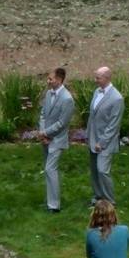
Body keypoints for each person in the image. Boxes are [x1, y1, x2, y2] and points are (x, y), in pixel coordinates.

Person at [37, 68, 74, 213]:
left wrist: (46, 133)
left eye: (50, 79)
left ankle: (54, 205)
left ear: (59, 80)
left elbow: (62, 123)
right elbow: (43, 114)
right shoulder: (48, 94)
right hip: (45, 138)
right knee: (48, 170)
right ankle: (50, 201)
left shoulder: (67, 99)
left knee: (50, 169)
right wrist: (42, 133)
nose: (48, 81)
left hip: (57, 140)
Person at [87, 66, 124, 206]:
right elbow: (93, 116)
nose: (95, 80)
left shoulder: (117, 98)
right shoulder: (97, 92)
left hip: (106, 142)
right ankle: (98, 197)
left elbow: (113, 124)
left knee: (103, 170)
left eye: (98, 78)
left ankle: (109, 201)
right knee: (95, 171)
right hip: (92, 138)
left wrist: (101, 142)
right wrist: (88, 135)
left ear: (107, 78)